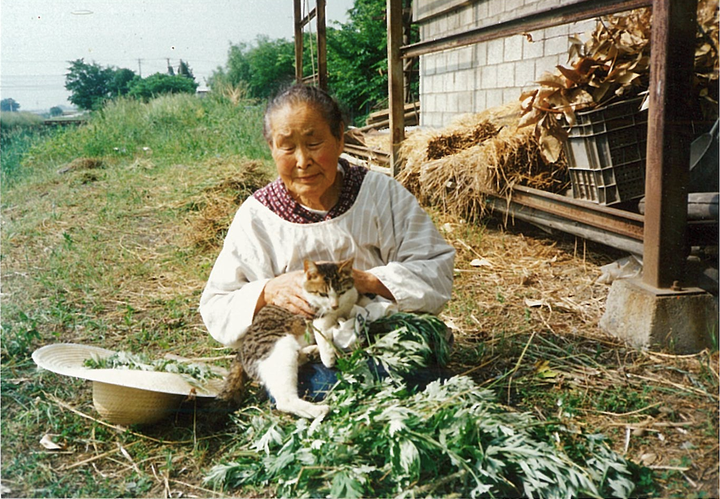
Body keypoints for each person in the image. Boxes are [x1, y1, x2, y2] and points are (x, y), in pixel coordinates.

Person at [199, 84, 455, 396]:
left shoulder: (380, 194)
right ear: (271, 148)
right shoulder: (257, 216)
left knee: (420, 353)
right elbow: (216, 305)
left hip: (379, 332)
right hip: (305, 349)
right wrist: (268, 290)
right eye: (286, 147)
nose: (303, 161)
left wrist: (367, 281)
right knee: (325, 383)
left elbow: (435, 268)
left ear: (340, 139)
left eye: (314, 143)